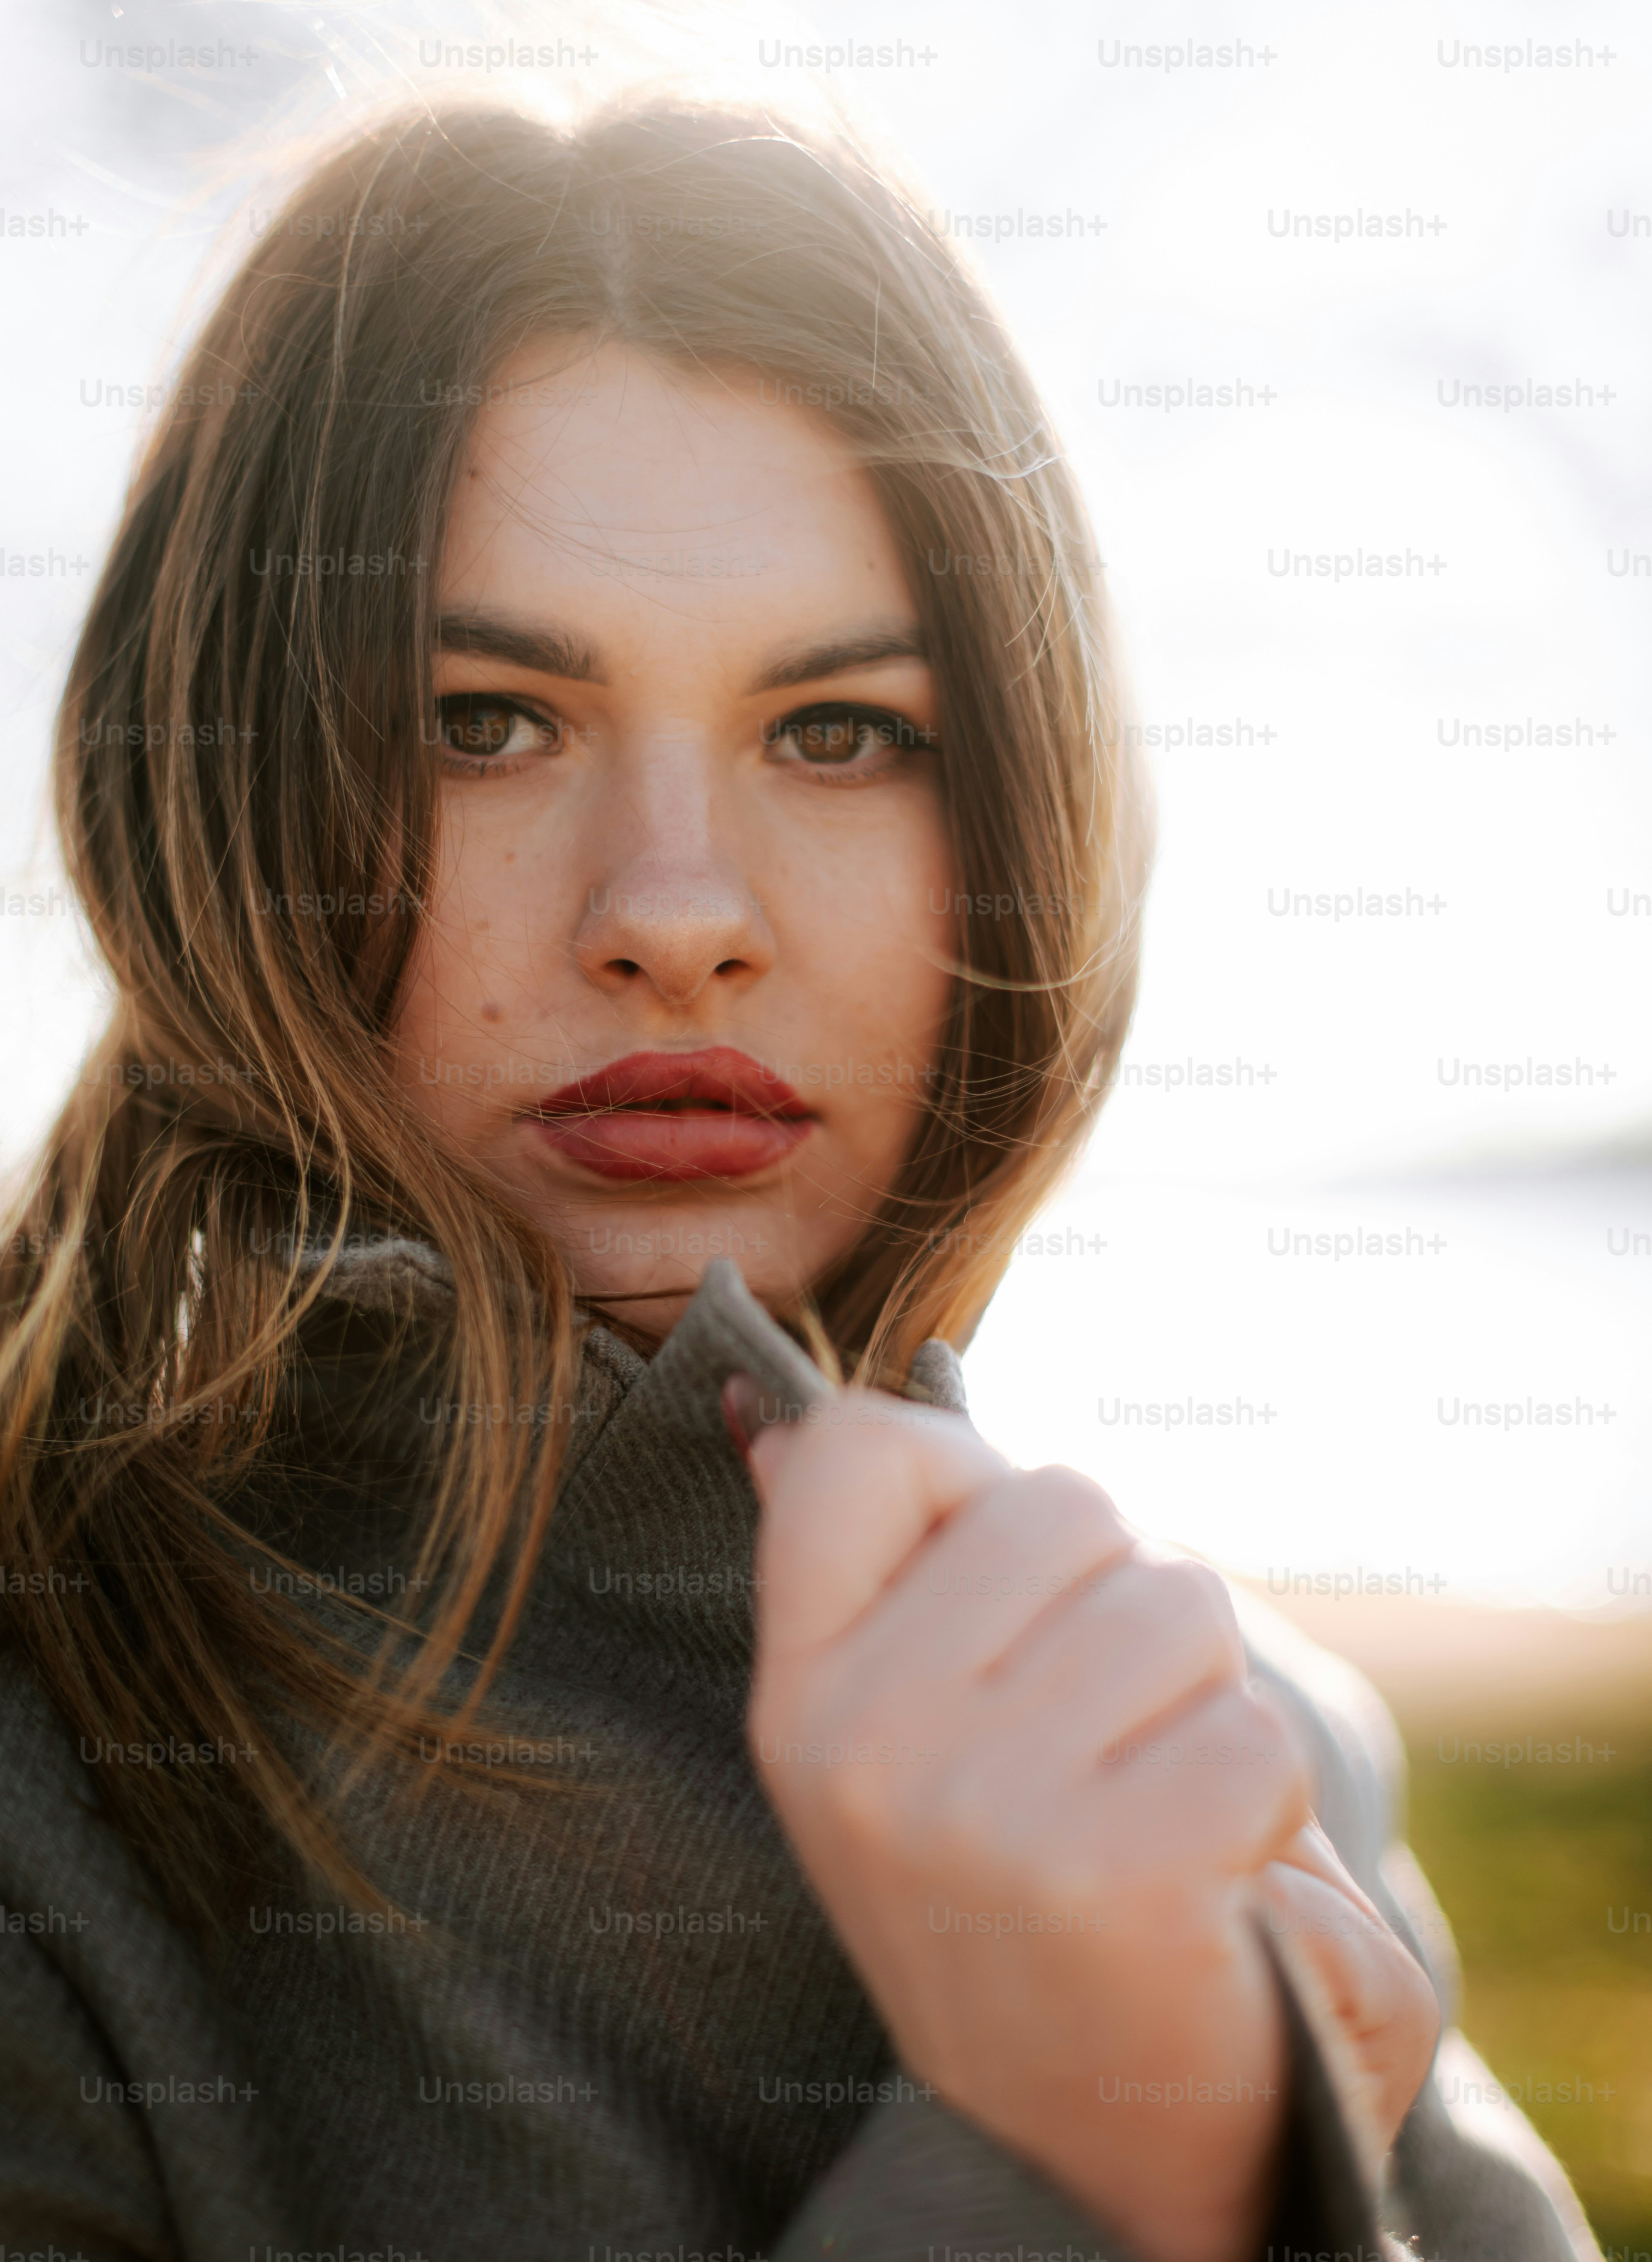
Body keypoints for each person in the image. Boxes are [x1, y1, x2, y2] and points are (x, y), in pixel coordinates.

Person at [0, 99, 1599, 2262]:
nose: (678, 911)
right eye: (484, 720)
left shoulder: (1238, 1729)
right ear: (213, 784)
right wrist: (1070, 2163)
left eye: (838, 731)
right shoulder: (53, 1812)